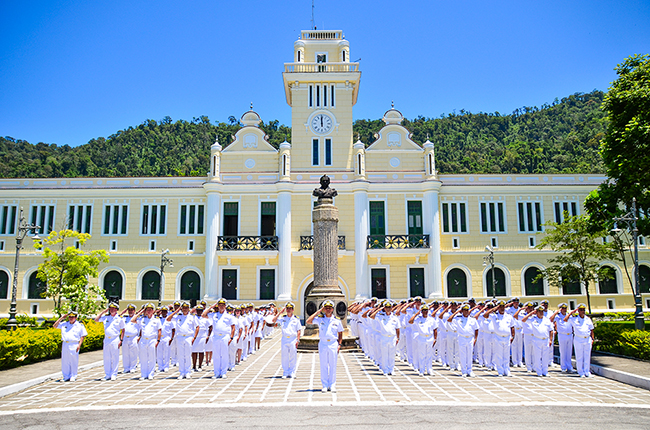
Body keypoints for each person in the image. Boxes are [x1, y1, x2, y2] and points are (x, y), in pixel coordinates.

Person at [305, 300, 343, 392]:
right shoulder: (320, 319)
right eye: (326, 308)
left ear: (333, 309)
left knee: (333, 365)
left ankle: (332, 385)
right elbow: (308, 321)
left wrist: (339, 344)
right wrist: (318, 311)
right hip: (323, 343)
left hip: (333, 343)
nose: (328, 310)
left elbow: (340, 333)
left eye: (330, 308)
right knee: (323, 365)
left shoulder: (337, 320)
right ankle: (325, 385)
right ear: (324, 309)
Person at [202, 298, 236, 379]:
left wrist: (231, 337)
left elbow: (233, 327)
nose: (221, 307)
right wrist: (211, 306)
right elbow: (203, 315)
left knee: (224, 355)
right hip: (216, 336)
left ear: (225, 306)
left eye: (222, 305)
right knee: (216, 355)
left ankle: (223, 372)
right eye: (219, 305)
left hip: (225, 336)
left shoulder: (229, 316)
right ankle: (216, 373)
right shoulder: (214, 315)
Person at [271, 301, 303, 378]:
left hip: (293, 339)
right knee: (284, 356)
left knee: (293, 356)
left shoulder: (296, 319)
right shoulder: (283, 318)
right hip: (285, 339)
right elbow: (273, 320)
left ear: (293, 310)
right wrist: (280, 312)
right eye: (287, 308)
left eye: (290, 309)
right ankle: (285, 372)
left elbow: (299, 330)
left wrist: (298, 340)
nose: (288, 310)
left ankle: (292, 372)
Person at [53, 311, 88, 382]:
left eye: (72, 317)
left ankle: (73, 375)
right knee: (65, 361)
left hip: (74, 343)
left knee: (73, 361)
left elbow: (83, 335)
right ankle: (66, 376)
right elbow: (55, 326)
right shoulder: (64, 324)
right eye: (70, 317)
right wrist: (62, 318)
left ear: (76, 317)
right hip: (65, 343)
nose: (71, 318)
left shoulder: (79, 325)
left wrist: (79, 345)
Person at [483, 299, 515, 376]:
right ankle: (500, 371)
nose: (502, 308)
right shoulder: (494, 316)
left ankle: (507, 370)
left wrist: (513, 336)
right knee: (499, 354)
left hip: (507, 337)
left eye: (503, 306)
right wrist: (494, 309)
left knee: (506, 355)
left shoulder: (508, 316)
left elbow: (512, 327)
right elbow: (485, 315)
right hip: (498, 337)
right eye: (500, 306)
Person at [369, 300, 401, 376]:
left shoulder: (395, 318)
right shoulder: (380, 316)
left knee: (392, 354)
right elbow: (371, 316)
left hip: (392, 337)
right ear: (384, 308)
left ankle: (391, 369)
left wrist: (398, 338)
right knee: (384, 354)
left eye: (389, 307)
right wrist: (379, 309)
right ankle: (385, 369)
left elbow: (398, 328)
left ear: (391, 308)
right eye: (386, 307)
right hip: (384, 337)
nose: (388, 309)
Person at [168, 302, 199, 379]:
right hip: (180, 337)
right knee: (181, 355)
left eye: (186, 308)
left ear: (189, 309)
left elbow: (197, 327)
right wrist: (176, 311)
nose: (185, 309)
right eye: (183, 308)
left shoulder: (192, 317)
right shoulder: (178, 316)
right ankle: (182, 372)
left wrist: (194, 337)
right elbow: (168, 319)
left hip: (188, 337)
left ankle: (188, 372)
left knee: (188, 355)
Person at [95, 302, 125, 381]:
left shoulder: (119, 319)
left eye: (113, 309)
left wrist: (121, 340)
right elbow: (96, 319)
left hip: (115, 339)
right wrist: (103, 312)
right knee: (107, 357)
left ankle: (114, 374)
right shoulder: (106, 317)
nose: (112, 310)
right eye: (110, 309)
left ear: (116, 310)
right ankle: (107, 374)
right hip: (107, 339)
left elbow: (123, 329)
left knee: (114, 357)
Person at [522, 305, 554, 377]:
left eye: (542, 311)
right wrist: (531, 313)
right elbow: (523, 320)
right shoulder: (533, 319)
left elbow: (551, 330)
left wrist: (551, 340)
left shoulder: (546, 320)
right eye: (539, 311)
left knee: (545, 356)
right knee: (537, 356)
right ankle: (539, 371)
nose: (541, 313)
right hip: (537, 339)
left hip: (545, 339)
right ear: (536, 312)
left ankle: (545, 371)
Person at [448, 303, 479, 377]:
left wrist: (475, 339)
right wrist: (457, 312)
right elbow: (449, 320)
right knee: (462, 355)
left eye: (467, 310)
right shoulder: (458, 318)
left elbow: (476, 329)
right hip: (462, 338)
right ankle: (464, 371)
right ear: (462, 311)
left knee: (469, 355)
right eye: (464, 310)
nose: (466, 312)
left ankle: (470, 370)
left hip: (470, 338)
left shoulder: (472, 319)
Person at [132, 303, 162, 380]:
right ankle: (144, 374)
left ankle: (151, 374)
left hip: (152, 339)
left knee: (152, 357)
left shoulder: (156, 320)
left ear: (153, 311)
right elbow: (133, 320)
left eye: (150, 310)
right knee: (143, 358)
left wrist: (158, 341)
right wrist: (141, 311)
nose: (148, 311)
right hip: (143, 340)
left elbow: (159, 331)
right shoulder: (142, 319)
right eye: (147, 310)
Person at [565, 303, 595, 377]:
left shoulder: (588, 319)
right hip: (578, 338)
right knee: (579, 356)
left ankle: (587, 371)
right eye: (581, 310)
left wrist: (592, 339)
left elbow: (591, 330)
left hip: (587, 338)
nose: (583, 311)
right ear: (578, 311)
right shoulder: (574, 319)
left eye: (583, 310)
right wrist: (571, 313)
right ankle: (580, 372)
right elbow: (565, 320)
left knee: (587, 356)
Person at [408, 303, 437, 376]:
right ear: (421, 311)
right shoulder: (418, 319)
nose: (425, 312)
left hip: (430, 337)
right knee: (422, 354)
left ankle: (429, 370)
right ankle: (422, 370)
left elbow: (435, 329)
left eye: (426, 310)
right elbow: (410, 321)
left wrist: (435, 339)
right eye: (423, 310)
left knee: (429, 354)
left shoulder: (431, 319)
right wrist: (417, 314)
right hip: (421, 337)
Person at [551, 303, 575, 373]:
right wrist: (555, 312)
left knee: (569, 352)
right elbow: (551, 320)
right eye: (563, 308)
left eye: (565, 308)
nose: (564, 310)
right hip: (562, 335)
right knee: (563, 351)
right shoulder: (558, 316)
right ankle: (563, 367)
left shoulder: (570, 316)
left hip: (570, 335)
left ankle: (569, 367)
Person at [192, 304, 212, 372]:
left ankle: (200, 366)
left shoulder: (205, 319)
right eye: (198, 310)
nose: (199, 312)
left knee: (201, 351)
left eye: (200, 310)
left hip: (202, 336)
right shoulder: (193, 318)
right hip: (194, 336)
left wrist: (208, 336)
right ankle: (194, 366)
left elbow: (210, 327)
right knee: (194, 351)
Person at [121, 304, 139, 374]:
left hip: (133, 337)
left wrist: (139, 337)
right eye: (129, 310)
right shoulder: (124, 318)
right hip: (126, 337)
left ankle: (133, 367)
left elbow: (141, 329)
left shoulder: (137, 318)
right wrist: (123, 311)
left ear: (134, 311)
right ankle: (126, 368)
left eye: (132, 310)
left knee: (133, 353)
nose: (130, 311)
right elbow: (119, 316)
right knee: (125, 353)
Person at [157, 307, 174, 373]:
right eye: (163, 311)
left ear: (167, 312)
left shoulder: (169, 320)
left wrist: (171, 338)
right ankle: (160, 367)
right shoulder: (158, 319)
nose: (164, 312)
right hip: (159, 338)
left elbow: (173, 329)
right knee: (159, 353)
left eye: (165, 311)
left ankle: (166, 366)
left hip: (167, 338)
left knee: (167, 353)